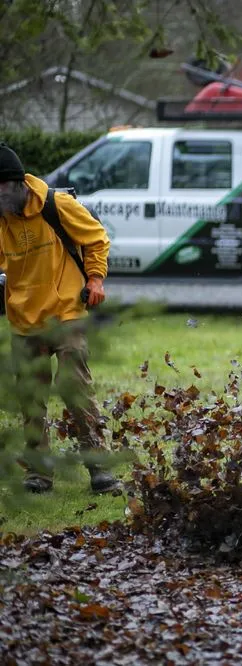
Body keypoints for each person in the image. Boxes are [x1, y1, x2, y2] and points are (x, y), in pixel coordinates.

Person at [0, 141, 118, 494]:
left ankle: (99, 469)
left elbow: (97, 239)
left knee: (76, 390)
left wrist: (95, 278)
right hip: (23, 320)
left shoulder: (57, 205)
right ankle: (38, 473)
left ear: (18, 184)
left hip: (65, 313)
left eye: (1, 191)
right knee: (31, 401)